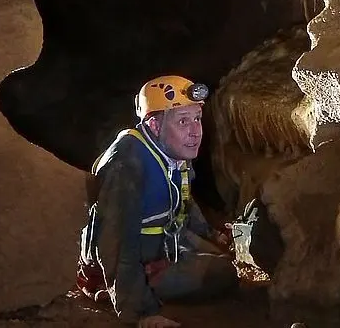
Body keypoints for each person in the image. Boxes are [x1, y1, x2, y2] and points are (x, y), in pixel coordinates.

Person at [77, 75, 238, 328]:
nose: (195, 131)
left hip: (161, 246)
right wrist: (142, 313)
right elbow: (115, 241)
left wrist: (211, 234)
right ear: (153, 125)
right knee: (222, 275)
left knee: (221, 256)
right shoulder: (127, 164)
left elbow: (183, 199)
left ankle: (152, 277)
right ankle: (112, 289)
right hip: (130, 259)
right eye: (183, 121)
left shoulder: (171, 150)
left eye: (197, 118)